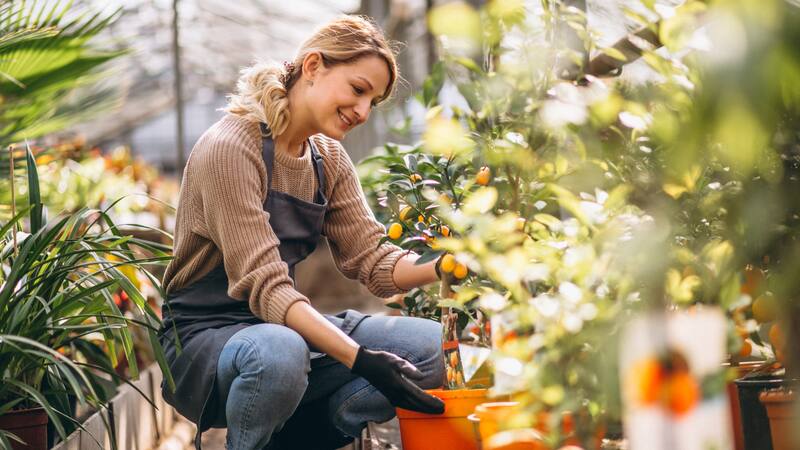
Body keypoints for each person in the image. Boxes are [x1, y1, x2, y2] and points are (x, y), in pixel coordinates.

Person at [158, 15, 451, 450]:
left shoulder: (327, 157)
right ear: (313, 66)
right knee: (278, 353)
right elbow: (269, 287)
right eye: (357, 89)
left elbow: (373, 260)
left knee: (428, 347)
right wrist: (362, 360)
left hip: (283, 330)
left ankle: (304, 437)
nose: (363, 111)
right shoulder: (231, 149)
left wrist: (448, 262)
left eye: (373, 100)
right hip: (206, 339)